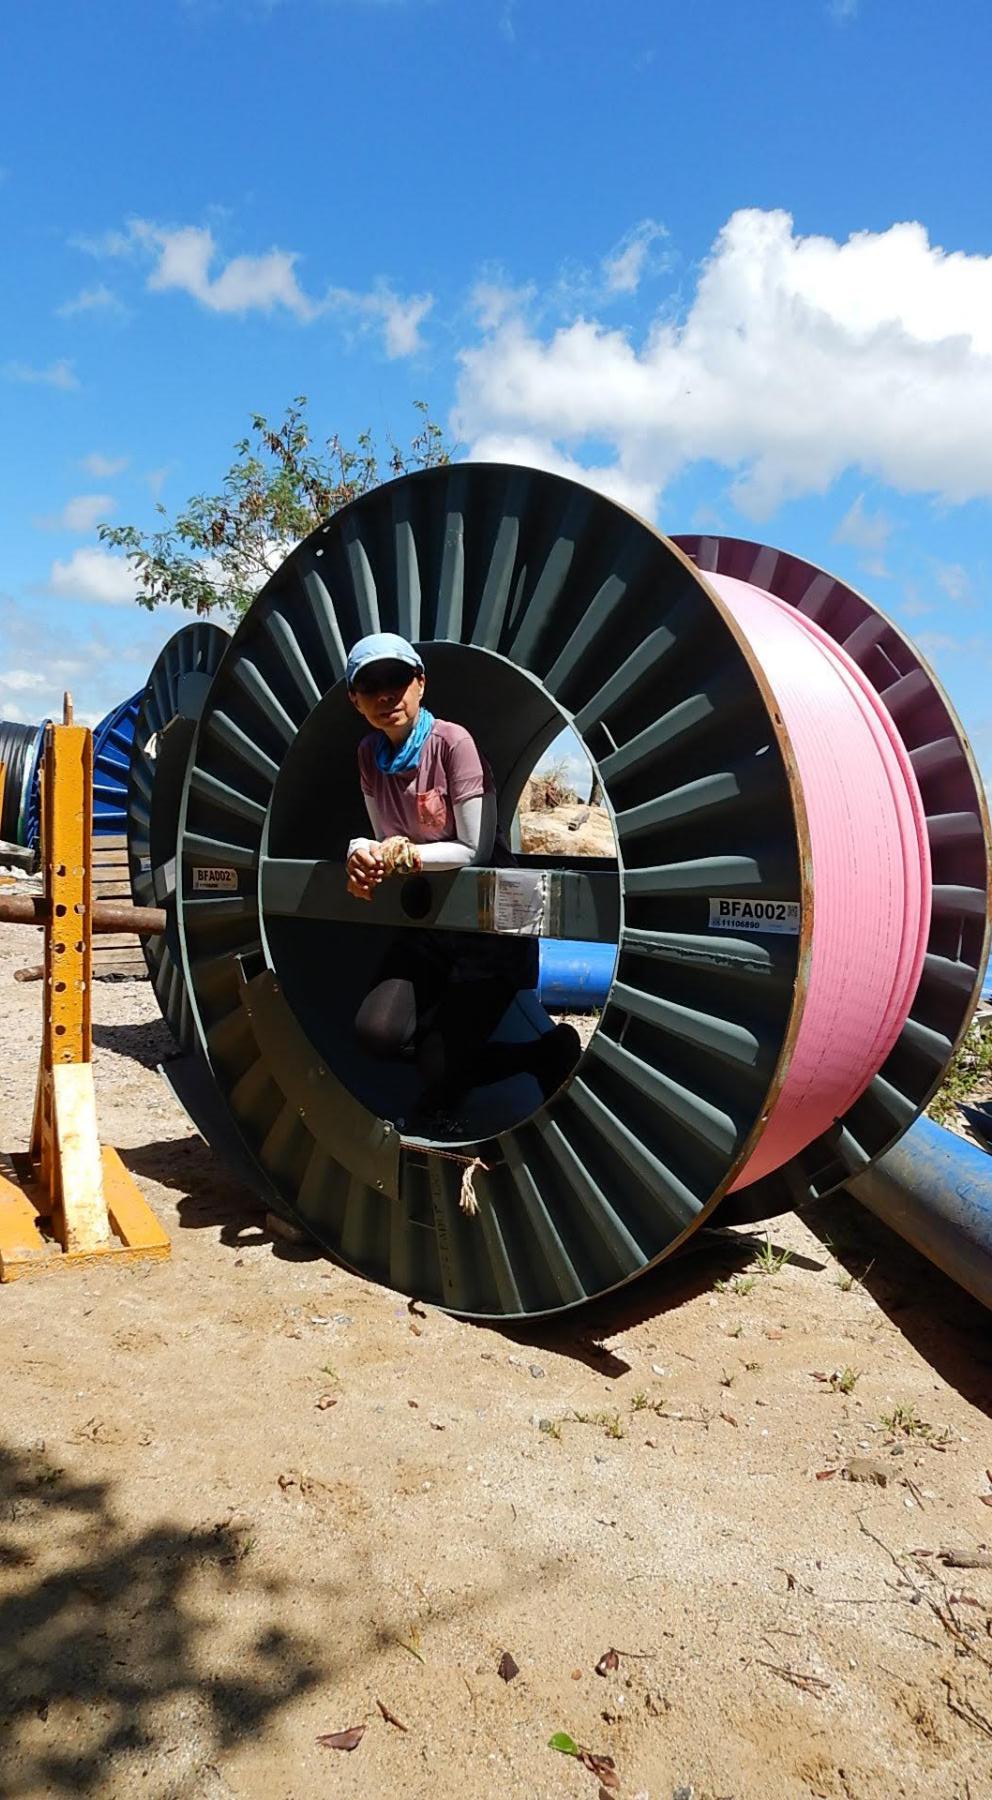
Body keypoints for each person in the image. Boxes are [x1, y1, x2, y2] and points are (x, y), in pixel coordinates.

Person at [344, 631, 580, 1124]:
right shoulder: (369, 753)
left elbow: (474, 848)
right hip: (431, 924)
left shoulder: (453, 743)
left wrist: (403, 856)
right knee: (376, 1034)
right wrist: (360, 850)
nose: (386, 695)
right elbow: (385, 836)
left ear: (420, 683)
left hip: (491, 926)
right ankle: (475, 1064)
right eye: (371, 686)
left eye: (397, 680)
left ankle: (485, 1066)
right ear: (355, 699)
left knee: (439, 1060)